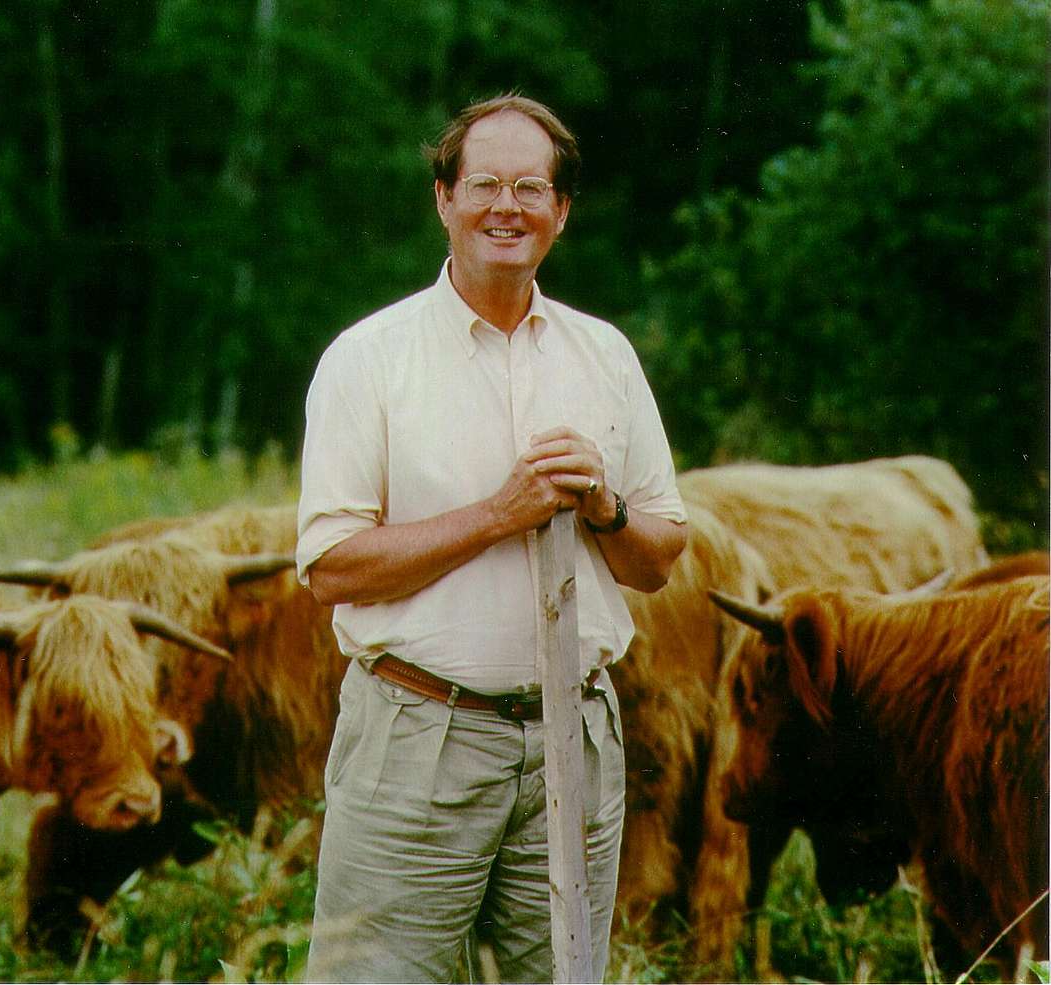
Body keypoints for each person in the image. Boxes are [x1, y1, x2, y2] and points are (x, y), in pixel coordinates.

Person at [295, 93, 688, 983]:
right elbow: (331, 567)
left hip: (575, 736)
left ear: (560, 211)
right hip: (418, 739)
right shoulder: (369, 358)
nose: (505, 206)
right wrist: (497, 514)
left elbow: (659, 558)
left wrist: (603, 508)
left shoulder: (605, 357)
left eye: (529, 188)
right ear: (444, 199)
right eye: (483, 185)